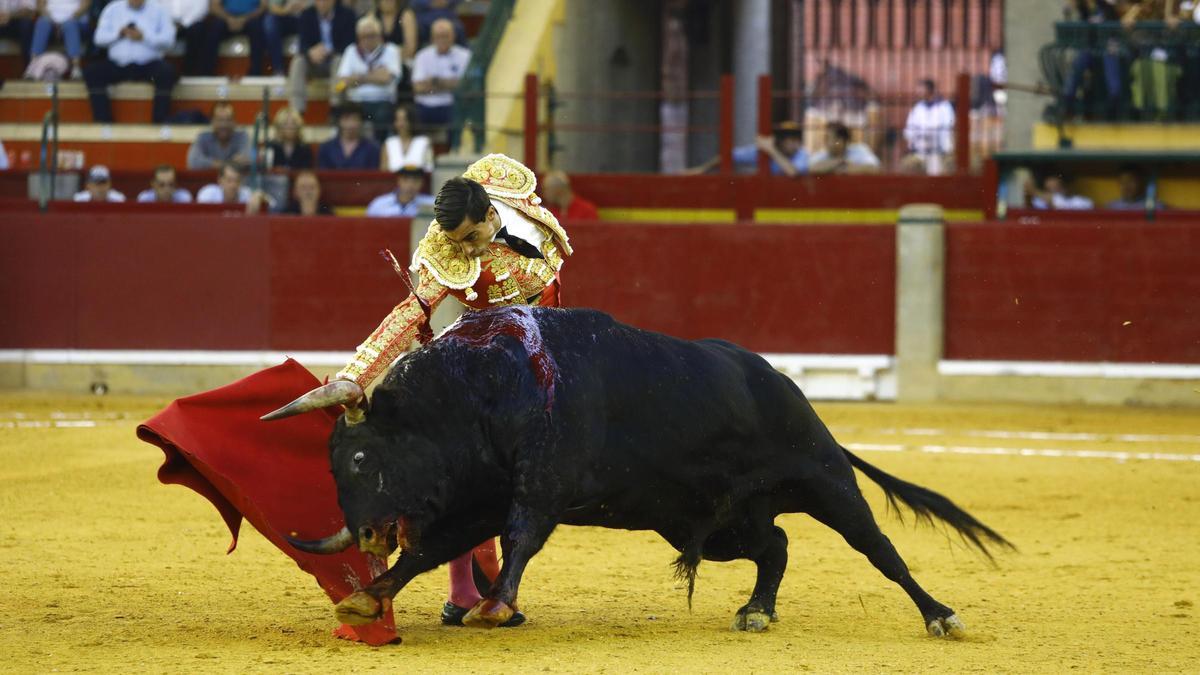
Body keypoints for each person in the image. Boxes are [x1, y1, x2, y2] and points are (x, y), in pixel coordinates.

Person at [322, 153, 569, 627]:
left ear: (491, 215)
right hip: (485, 361)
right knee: (476, 477)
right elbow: (410, 312)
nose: (468, 252)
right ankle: (464, 592)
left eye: (473, 238)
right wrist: (357, 373)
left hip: (544, 354)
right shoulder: (447, 250)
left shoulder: (512, 195)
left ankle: (477, 590)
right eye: (458, 244)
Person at [83, 0, 178, 124]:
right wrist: (119, 33)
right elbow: (99, 39)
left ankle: (159, 122)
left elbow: (169, 41)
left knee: (167, 72)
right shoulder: (112, 8)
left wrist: (144, 37)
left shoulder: (159, 9)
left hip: (149, 65)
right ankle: (103, 122)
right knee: (92, 72)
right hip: (118, 65)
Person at [335, 15, 402, 139]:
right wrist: (374, 76)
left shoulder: (391, 50)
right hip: (356, 101)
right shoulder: (351, 51)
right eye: (364, 36)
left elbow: (387, 78)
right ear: (359, 37)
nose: (368, 39)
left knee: (383, 116)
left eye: (372, 35)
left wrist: (358, 78)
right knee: (342, 115)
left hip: (383, 100)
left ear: (380, 35)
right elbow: (342, 82)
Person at [287, 0, 353, 115]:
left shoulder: (347, 14)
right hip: (314, 62)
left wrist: (330, 51)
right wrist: (310, 52)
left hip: (335, 61)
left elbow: (349, 45)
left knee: (339, 61)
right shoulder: (307, 14)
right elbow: (302, 44)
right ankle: (297, 110)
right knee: (298, 62)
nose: (322, 3)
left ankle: (335, 108)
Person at [410, 17, 469, 136]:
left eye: (445, 35)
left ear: (453, 36)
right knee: (413, 119)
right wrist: (449, 85)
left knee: (458, 119)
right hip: (425, 105)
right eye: (438, 36)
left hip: (451, 105)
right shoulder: (422, 55)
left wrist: (434, 81)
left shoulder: (465, 56)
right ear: (432, 38)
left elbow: (464, 86)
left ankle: (453, 151)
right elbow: (418, 88)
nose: (442, 39)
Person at [687, 121, 808, 176]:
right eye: (790, 139)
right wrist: (702, 169)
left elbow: (792, 172)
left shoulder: (802, 155)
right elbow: (729, 156)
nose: (794, 144)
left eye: (796, 139)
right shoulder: (762, 153)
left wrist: (771, 150)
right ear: (780, 141)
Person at [902, 79, 955, 176]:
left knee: (936, 175)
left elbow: (948, 126)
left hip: (938, 150)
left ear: (930, 89)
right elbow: (909, 129)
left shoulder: (944, 106)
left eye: (922, 88)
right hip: (920, 149)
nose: (919, 91)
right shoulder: (918, 107)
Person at [199, 0, 267, 76]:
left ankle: (255, 74)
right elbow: (214, 6)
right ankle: (207, 73)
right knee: (213, 29)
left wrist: (245, 18)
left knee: (257, 29)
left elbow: (263, 6)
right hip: (226, 18)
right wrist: (228, 18)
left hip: (250, 18)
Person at [30, 0, 90, 78]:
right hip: (51, 21)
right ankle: (33, 65)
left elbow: (85, 4)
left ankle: (76, 68)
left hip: (76, 20)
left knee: (70, 25)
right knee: (42, 22)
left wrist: (68, 19)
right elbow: (40, 4)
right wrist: (52, 20)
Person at [187, 101, 251, 169]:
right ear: (212, 121)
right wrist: (230, 164)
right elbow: (193, 161)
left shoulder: (242, 137)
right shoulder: (203, 138)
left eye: (228, 120)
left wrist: (214, 164)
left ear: (234, 121)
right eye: (219, 120)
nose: (224, 124)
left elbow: (247, 159)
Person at [317, 103, 381, 169]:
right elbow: (322, 175)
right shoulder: (326, 148)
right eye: (346, 119)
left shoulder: (373, 148)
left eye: (355, 119)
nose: (350, 124)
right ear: (339, 121)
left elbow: (374, 176)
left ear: (361, 122)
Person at [808, 122, 881, 175]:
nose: (825, 141)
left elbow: (875, 169)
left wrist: (845, 169)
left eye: (828, 138)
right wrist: (839, 162)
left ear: (840, 140)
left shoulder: (860, 150)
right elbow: (810, 168)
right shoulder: (823, 154)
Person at [160, 0, 209, 76]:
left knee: (198, 29)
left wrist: (183, 23)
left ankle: (190, 72)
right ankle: (154, 71)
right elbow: (153, 6)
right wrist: (167, 24)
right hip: (164, 23)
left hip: (189, 23)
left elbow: (201, 8)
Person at [379, 104, 432, 173]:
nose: (401, 124)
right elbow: (384, 172)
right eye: (398, 120)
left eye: (405, 119)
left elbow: (429, 170)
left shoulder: (424, 141)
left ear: (412, 121)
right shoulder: (388, 143)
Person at [364, 164, 431, 216]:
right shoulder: (379, 204)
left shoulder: (431, 204)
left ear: (422, 183)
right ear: (398, 181)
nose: (410, 185)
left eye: (415, 180)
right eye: (405, 180)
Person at [261, 0, 305, 76]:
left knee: (311, 21)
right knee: (269, 22)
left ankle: (308, 71)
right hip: (286, 16)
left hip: (308, 16)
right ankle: (278, 70)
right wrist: (287, 10)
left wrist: (304, 8)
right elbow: (272, 8)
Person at [265, 105, 313, 169]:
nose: (290, 127)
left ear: (299, 126)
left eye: (293, 123)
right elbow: (267, 170)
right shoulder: (270, 146)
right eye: (285, 123)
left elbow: (306, 172)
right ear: (278, 126)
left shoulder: (305, 149)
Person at [1026, 172, 1094, 210]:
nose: (1052, 191)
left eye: (1056, 187)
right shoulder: (1040, 201)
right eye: (1049, 189)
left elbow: (1054, 201)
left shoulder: (1082, 201)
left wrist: (1033, 191)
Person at [0, 0, 36, 69]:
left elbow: (29, 11)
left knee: (26, 24)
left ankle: (29, 69)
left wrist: (10, 15)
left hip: (16, 23)